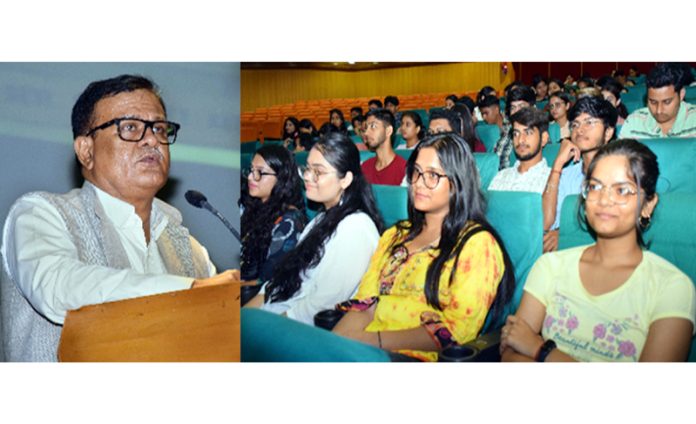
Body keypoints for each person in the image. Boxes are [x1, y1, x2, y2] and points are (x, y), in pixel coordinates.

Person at [0, 74, 235, 362]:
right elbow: (58, 287)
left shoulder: (189, 247)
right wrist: (191, 292)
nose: (152, 139)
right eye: (130, 127)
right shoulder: (40, 214)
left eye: (160, 128)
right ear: (86, 150)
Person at [501, 139, 696, 362]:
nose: (604, 199)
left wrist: (541, 350)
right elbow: (510, 356)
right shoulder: (550, 266)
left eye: (622, 190)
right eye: (594, 186)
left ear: (648, 205)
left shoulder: (672, 288)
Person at [332, 133, 515, 361]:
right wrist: (339, 339)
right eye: (416, 172)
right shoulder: (395, 235)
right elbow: (366, 300)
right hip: (363, 349)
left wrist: (372, 342)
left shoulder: (478, 245)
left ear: (457, 184)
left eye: (432, 175)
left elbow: (457, 331)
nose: (418, 183)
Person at [245, 133, 383, 325]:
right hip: (276, 314)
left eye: (318, 172)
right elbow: (280, 280)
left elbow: (320, 305)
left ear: (345, 179)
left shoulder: (356, 228)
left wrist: (262, 329)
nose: (307, 177)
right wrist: (244, 318)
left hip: (300, 330)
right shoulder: (320, 219)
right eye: (307, 169)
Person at [542, 96, 617, 253]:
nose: (580, 130)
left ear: (608, 132)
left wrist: (566, 235)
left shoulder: (620, 175)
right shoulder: (567, 173)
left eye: (589, 122)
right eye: (575, 124)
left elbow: (613, 227)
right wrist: (557, 166)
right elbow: (545, 222)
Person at [241, 145, 306, 284]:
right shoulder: (254, 208)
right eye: (251, 170)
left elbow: (268, 281)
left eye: (260, 172)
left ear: (281, 177)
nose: (251, 177)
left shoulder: (289, 222)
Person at [620, 62, 696, 139]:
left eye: (667, 102)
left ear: (681, 95)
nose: (659, 110)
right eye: (653, 102)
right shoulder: (634, 122)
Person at [488, 108, 551, 194]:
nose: (520, 140)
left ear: (543, 138)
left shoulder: (551, 179)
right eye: (516, 134)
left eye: (528, 133)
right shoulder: (501, 176)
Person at [493, 85, 536, 170]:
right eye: (513, 108)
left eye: (521, 106)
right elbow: (496, 160)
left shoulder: (538, 133)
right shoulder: (507, 131)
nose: (516, 112)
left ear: (532, 108)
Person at [361, 108, 407, 185]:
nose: (366, 133)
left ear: (388, 131)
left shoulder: (403, 169)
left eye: (373, 126)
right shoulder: (365, 167)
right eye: (366, 128)